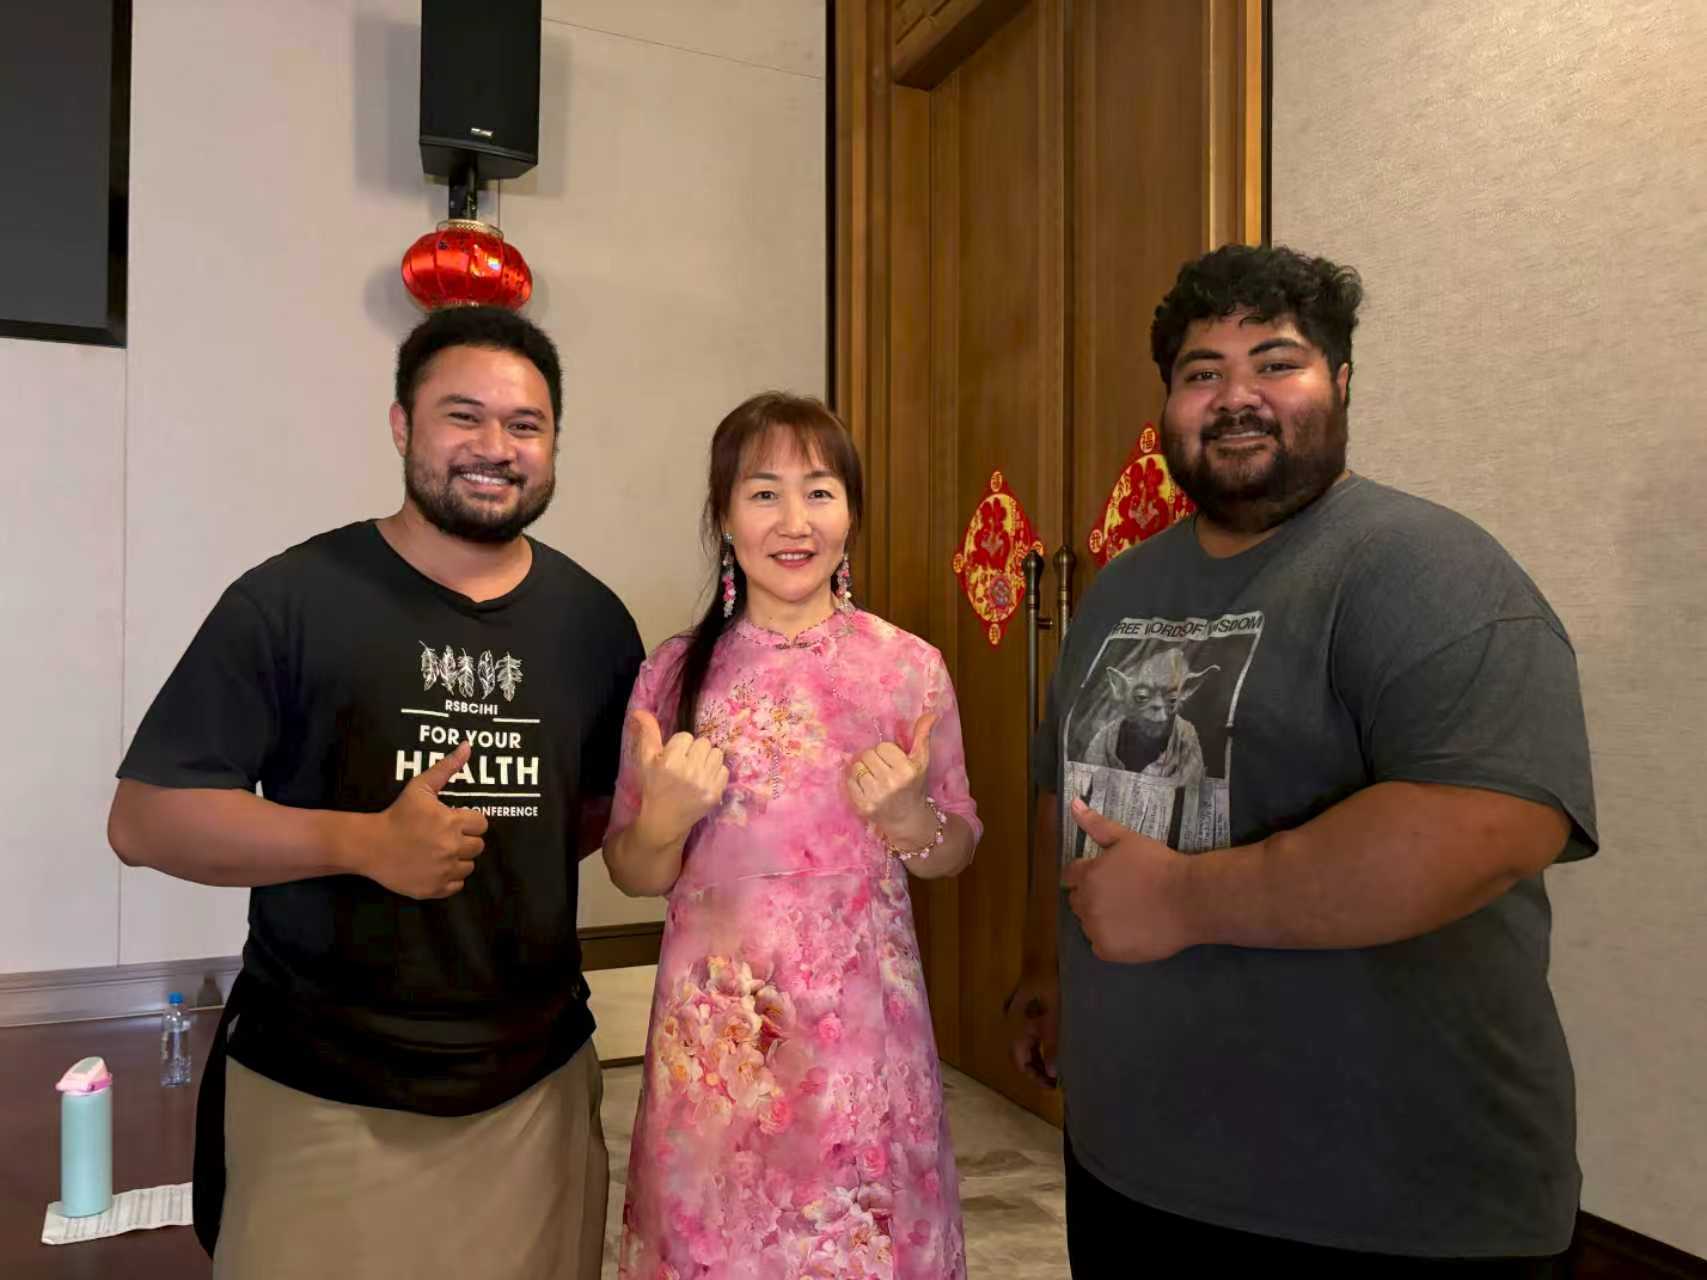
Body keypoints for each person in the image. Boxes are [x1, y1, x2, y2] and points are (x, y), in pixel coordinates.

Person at [1010, 244, 1597, 1275]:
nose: (1236, 396)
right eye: (1202, 372)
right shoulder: (1119, 588)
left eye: (1276, 362)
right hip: (1130, 1161)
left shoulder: (1425, 567)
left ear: (1342, 382)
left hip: (1376, 1205)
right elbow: (1066, 790)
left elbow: (1492, 826)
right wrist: (1049, 970)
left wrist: (1186, 900)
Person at [106, 305, 641, 1279]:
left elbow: (593, 810)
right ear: (402, 426)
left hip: (536, 1082)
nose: (495, 447)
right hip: (325, 1082)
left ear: (555, 443)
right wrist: (362, 843)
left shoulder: (594, 624)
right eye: (462, 416)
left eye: (524, 425)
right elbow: (145, 818)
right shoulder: (292, 600)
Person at [603, 392, 980, 1278]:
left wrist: (911, 821)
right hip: (720, 1052)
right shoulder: (671, 674)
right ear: (724, 518)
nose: (794, 521)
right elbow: (631, 869)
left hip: (863, 1050)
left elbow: (955, 848)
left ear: (851, 513)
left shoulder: (906, 667)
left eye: (819, 492)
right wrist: (663, 820)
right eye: (763, 493)